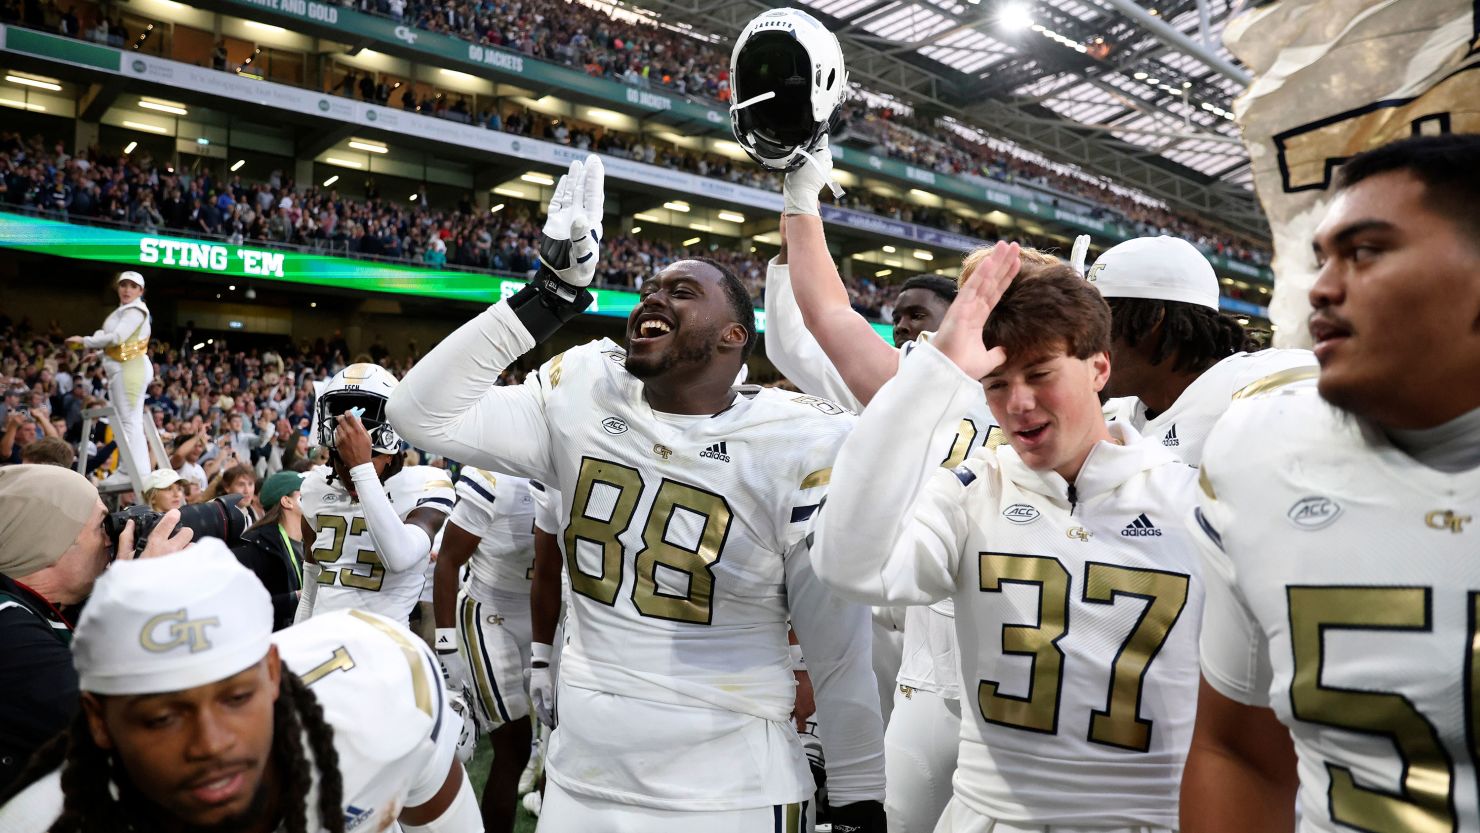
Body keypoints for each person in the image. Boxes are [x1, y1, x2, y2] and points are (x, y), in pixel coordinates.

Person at [388, 156, 886, 831]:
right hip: (581, 780)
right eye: (652, 287)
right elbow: (421, 414)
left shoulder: (797, 440)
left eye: (682, 292)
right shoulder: (584, 388)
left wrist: (860, 804)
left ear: (733, 337)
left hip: (729, 793)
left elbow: (839, 656)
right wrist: (547, 296)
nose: (655, 298)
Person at [812, 246, 1206, 832]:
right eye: (995, 384)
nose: (1017, 404)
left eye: (1040, 374)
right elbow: (848, 566)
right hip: (989, 813)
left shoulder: (1195, 501)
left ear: (1100, 368)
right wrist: (934, 374)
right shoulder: (969, 493)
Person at [1180, 134, 1480, 833]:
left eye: (1366, 250)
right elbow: (1239, 749)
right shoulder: (1257, 451)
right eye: (1321, 258)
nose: (1320, 286)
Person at [771, 150, 1029, 831]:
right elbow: (827, 312)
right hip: (923, 663)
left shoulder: (1102, 422)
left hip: (1028, 691)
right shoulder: (925, 386)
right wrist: (801, 199)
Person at [0, 541, 482, 833]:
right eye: (162, 717)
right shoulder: (41, 820)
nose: (211, 744)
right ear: (100, 722)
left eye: (235, 698)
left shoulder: (384, 687)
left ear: (274, 674)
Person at [0, 465, 191, 793]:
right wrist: (137, 596)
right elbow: (119, 723)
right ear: (52, 542)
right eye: (101, 525)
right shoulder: (7, 626)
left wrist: (119, 586)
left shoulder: (44, 609)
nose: (111, 538)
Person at [1087, 236, 1316, 464]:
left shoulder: (1262, 392)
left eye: (1098, 324)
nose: (1082, 343)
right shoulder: (1123, 416)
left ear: (1153, 321)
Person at [299, 363, 453, 626]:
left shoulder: (425, 483)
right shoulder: (316, 486)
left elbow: (399, 556)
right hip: (321, 642)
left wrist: (362, 470)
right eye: (340, 458)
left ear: (391, 448)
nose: (349, 469)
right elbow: (311, 589)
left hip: (384, 646)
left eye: (365, 457)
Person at [432, 466, 537, 833]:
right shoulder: (494, 477)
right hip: (490, 614)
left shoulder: (566, 463)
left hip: (544, 613)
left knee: (557, 742)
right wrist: (446, 648)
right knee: (514, 745)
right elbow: (447, 561)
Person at [67, 272, 153, 484]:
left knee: (128, 422)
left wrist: (85, 341)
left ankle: (132, 471)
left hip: (129, 370)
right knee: (128, 422)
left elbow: (117, 338)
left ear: (140, 291)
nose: (127, 289)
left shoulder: (134, 310)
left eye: (133, 286)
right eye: (123, 285)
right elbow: (119, 343)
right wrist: (97, 353)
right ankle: (135, 470)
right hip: (125, 369)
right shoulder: (125, 311)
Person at [232, 470, 307, 631]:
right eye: (306, 493)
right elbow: (245, 606)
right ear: (287, 502)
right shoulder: (256, 545)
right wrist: (299, 598)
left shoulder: (309, 539)